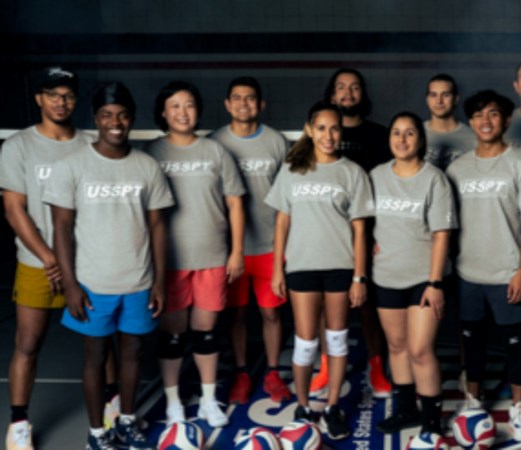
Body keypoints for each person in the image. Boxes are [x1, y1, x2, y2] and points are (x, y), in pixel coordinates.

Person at [45, 82, 173, 450]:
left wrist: (159, 282)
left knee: (133, 353)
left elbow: (158, 227)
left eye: (122, 115)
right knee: (96, 357)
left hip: (138, 280)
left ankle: (127, 421)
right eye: (106, 115)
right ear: (96, 119)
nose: (114, 122)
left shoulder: (146, 166)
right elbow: (61, 227)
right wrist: (71, 284)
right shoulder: (72, 166)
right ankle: (97, 431)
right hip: (92, 283)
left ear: (131, 119)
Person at [446, 90, 521, 443]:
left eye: (493, 113)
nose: (485, 120)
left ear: (506, 120)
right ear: (470, 122)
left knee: (516, 345)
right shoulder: (457, 168)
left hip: (508, 273)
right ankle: (473, 401)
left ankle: (520, 407)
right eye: (478, 115)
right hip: (468, 273)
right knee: (472, 344)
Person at [0, 67, 95, 450]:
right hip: (37, 263)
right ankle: (18, 424)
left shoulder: (90, 143)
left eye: (67, 95)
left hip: (88, 262)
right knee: (27, 343)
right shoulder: (18, 146)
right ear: (39, 98)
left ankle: (107, 413)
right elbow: (14, 208)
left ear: (76, 100)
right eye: (53, 94)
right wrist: (50, 258)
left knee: (99, 342)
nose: (61, 101)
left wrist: (71, 259)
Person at [266, 102, 373, 440]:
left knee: (337, 341)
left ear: (342, 131)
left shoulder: (352, 172)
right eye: (322, 128)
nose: (329, 135)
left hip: (340, 267)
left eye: (335, 128)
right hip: (301, 266)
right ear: (310, 130)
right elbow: (282, 222)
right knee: (305, 343)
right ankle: (302, 407)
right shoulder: (292, 170)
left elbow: (360, 230)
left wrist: (359, 277)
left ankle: (332, 407)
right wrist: (277, 269)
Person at [146, 81, 246, 428]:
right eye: (175, 106)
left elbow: (235, 203)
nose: (183, 112)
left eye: (189, 105)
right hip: (170, 262)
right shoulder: (151, 153)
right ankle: (173, 402)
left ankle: (207, 399)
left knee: (206, 332)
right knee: (172, 335)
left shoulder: (215, 151)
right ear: (163, 112)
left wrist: (236, 251)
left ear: (198, 110)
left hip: (211, 256)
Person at [371, 112, 457, 437]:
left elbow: (441, 234)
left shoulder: (434, 179)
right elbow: (361, 220)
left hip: (423, 277)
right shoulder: (376, 176)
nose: (402, 139)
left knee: (420, 349)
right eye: (396, 132)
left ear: (420, 139)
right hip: (386, 274)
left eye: (409, 133)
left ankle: (432, 422)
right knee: (397, 346)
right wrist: (365, 243)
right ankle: (405, 410)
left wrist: (435, 283)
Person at [209, 76, 290, 404]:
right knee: (237, 315)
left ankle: (272, 372)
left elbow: (289, 196)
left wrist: (288, 245)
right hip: (231, 249)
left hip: (270, 244)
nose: (244, 104)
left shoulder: (276, 142)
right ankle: (242, 372)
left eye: (250, 98)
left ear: (261, 104)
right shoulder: (215, 143)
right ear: (228, 105)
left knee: (271, 314)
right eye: (237, 98)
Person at [314, 68, 391, 398]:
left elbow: (390, 188)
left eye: (355, 87)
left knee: (369, 304)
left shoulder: (380, 135)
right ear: (331, 95)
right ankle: (326, 364)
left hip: (367, 233)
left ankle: (377, 364)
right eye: (341, 88)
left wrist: (380, 234)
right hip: (328, 233)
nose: (348, 93)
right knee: (324, 304)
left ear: (363, 94)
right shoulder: (318, 137)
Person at [423, 73, 476, 169]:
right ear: (427, 99)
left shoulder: (473, 137)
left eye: (446, 95)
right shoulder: (415, 133)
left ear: (456, 99)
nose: (439, 101)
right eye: (433, 95)